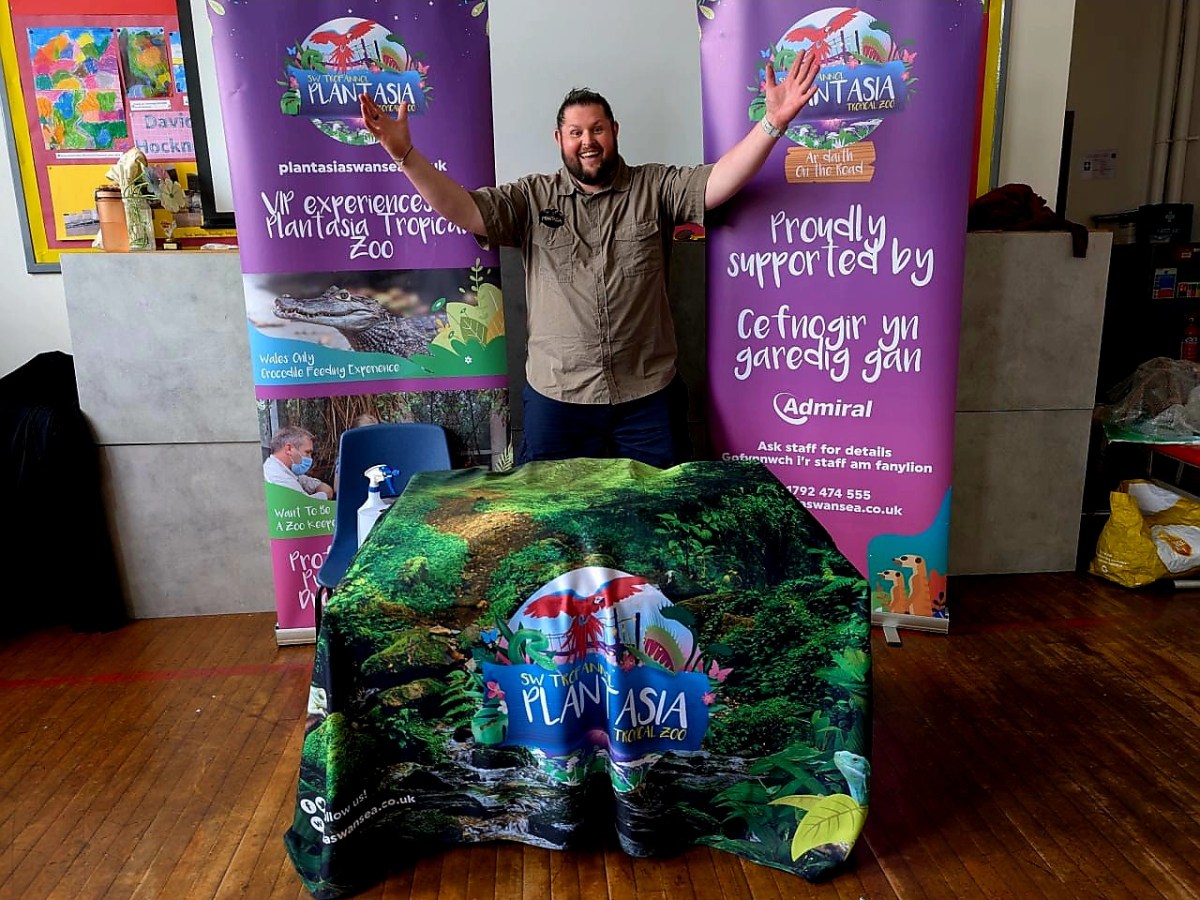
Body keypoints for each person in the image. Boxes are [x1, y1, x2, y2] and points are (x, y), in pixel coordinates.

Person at [359, 51, 820, 467]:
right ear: (559, 138)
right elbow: (465, 210)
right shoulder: (532, 198)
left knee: (658, 525)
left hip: (648, 399)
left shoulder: (655, 187)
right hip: (559, 400)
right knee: (553, 528)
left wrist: (773, 123)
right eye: (576, 132)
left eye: (597, 129)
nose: (588, 141)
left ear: (614, 131)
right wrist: (405, 155)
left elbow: (719, 181)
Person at [264, 425, 334, 499]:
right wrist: (325, 494)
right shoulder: (279, 479)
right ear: (289, 449)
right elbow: (307, 505)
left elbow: (307, 482)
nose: (310, 458)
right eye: (307, 452)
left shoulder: (284, 470)